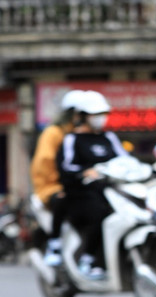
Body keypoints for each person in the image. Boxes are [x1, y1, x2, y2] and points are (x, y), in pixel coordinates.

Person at [56, 91, 127, 280]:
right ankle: (88, 259)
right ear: (82, 116)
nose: (100, 119)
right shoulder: (72, 139)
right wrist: (85, 171)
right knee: (100, 214)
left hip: (108, 192)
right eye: (95, 114)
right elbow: (65, 166)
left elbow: (126, 161)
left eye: (102, 114)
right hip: (80, 194)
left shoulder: (109, 137)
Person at [30, 89, 86, 266]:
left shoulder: (77, 134)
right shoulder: (54, 133)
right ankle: (55, 244)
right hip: (52, 187)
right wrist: (61, 183)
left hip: (77, 185)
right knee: (63, 199)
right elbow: (44, 163)